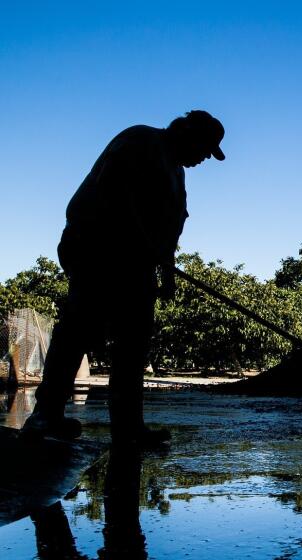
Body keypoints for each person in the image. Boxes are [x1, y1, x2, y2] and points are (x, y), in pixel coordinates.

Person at [21, 110, 225, 444]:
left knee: (134, 339)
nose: (204, 158)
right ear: (188, 133)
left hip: (137, 263)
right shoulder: (140, 140)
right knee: (80, 329)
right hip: (96, 249)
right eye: (204, 149)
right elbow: (116, 192)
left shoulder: (177, 172)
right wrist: (144, 245)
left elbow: (171, 225)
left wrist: (167, 270)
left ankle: (129, 427)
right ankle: (45, 416)